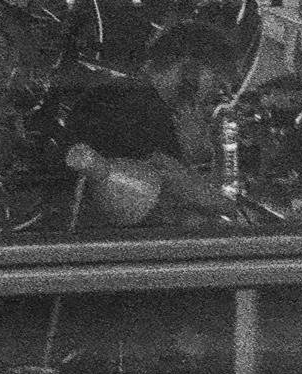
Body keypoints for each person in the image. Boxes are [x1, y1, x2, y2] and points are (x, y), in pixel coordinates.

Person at [58, 22, 241, 227]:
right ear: (189, 70)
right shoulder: (134, 103)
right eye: (216, 82)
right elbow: (172, 181)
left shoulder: (122, 93)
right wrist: (231, 206)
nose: (213, 94)